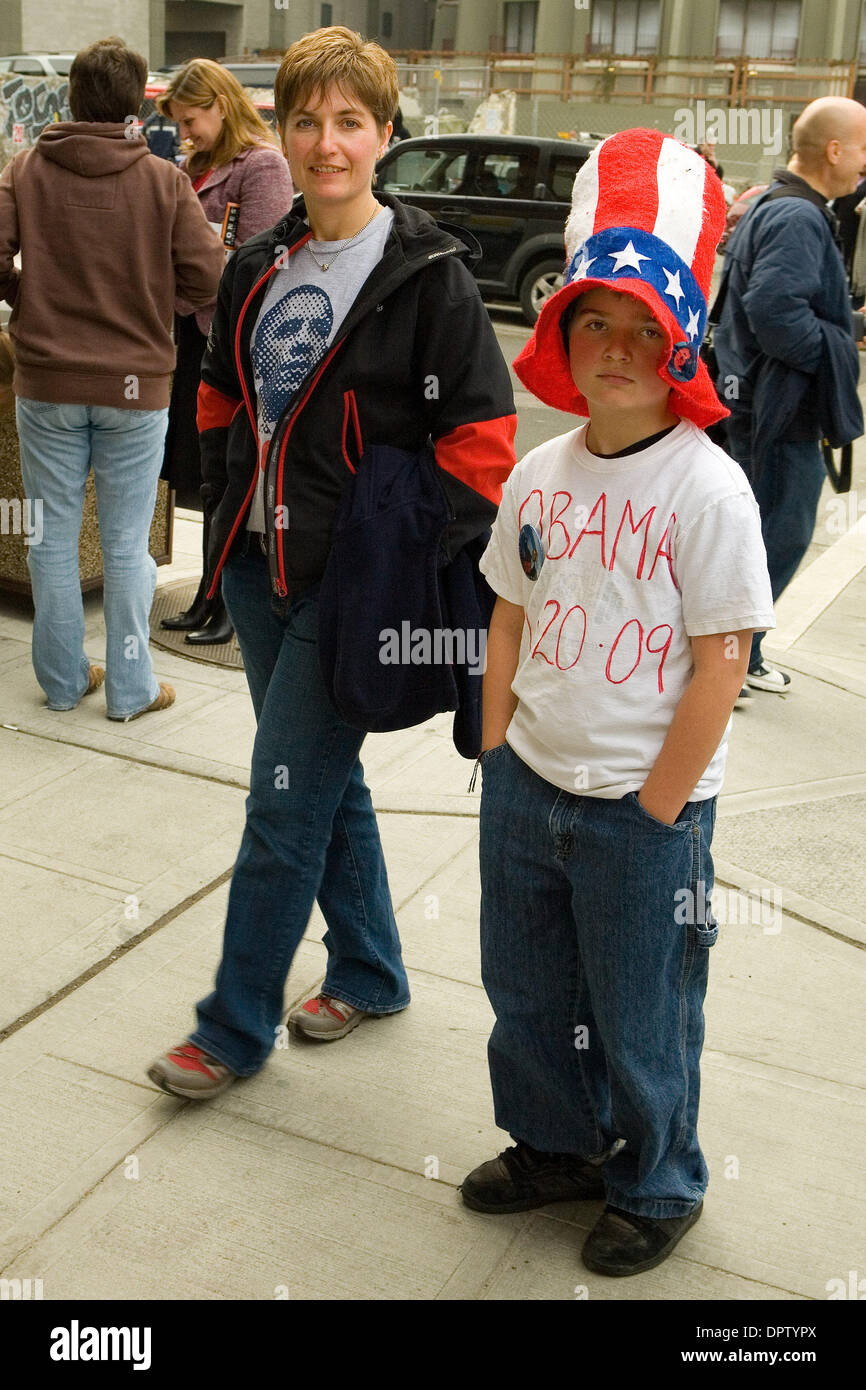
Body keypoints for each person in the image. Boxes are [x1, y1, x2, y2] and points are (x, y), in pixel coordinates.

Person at [147, 25, 516, 1097]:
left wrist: (388, 555)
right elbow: (218, 392)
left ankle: (230, 1027)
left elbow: (484, 445)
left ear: (383, 135)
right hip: (259, 572)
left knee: (279, 795)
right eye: (306, 119)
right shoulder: (258, 264)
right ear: (287, 133)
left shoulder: (428, 276)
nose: (326, 142)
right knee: (319, 780)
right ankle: (370, 965)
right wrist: (227, 504)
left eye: (349, 121)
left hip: (351, 590)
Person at [459, 129, 775, 1277]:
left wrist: (655, 806)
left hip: (642, 814)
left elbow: (722, 659)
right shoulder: (542, 472)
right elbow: (505, 609)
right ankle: (553, 1144)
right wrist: (495, 748)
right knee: (527, 993)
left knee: (642, 1016)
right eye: (597, 320)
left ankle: (655, 1177)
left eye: (648, 327)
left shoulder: (706, 486)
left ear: (681, 343)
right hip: (526, 782)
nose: (620, 347)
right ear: (561, 335)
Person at [0, 36, 225, 720]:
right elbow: (210, 275)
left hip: (46, 381)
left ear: (72, 96)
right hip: (136, 385)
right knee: (128, 545)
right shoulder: (162, 181)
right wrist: (160, 306)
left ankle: (66, 681)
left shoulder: (26, 170)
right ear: (137, 103)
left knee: (49, 534)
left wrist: (24, 297)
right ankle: (131, 688)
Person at [714, 96, 866, 694]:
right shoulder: (800, 218)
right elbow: (776, 314)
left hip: (756, 401)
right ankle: (735, 657)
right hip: (779, 409)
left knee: (755, 531)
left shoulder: (775, 204)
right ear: (834, 150)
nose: (863, 164)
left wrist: (846, 324)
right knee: (782, 530)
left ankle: (730, 654)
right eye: (860, 149)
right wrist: (835, 348)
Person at [156, 59, 293, 645]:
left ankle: (230, 603)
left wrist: (202, 250)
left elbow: (265, 259)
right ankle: (208, 596)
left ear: (219, 102)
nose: (185, 133)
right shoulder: (193, 167)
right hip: (190, 332)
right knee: (206, 474)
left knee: (237, 474)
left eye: (191, 120)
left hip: (239, 338)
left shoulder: (260, 164)